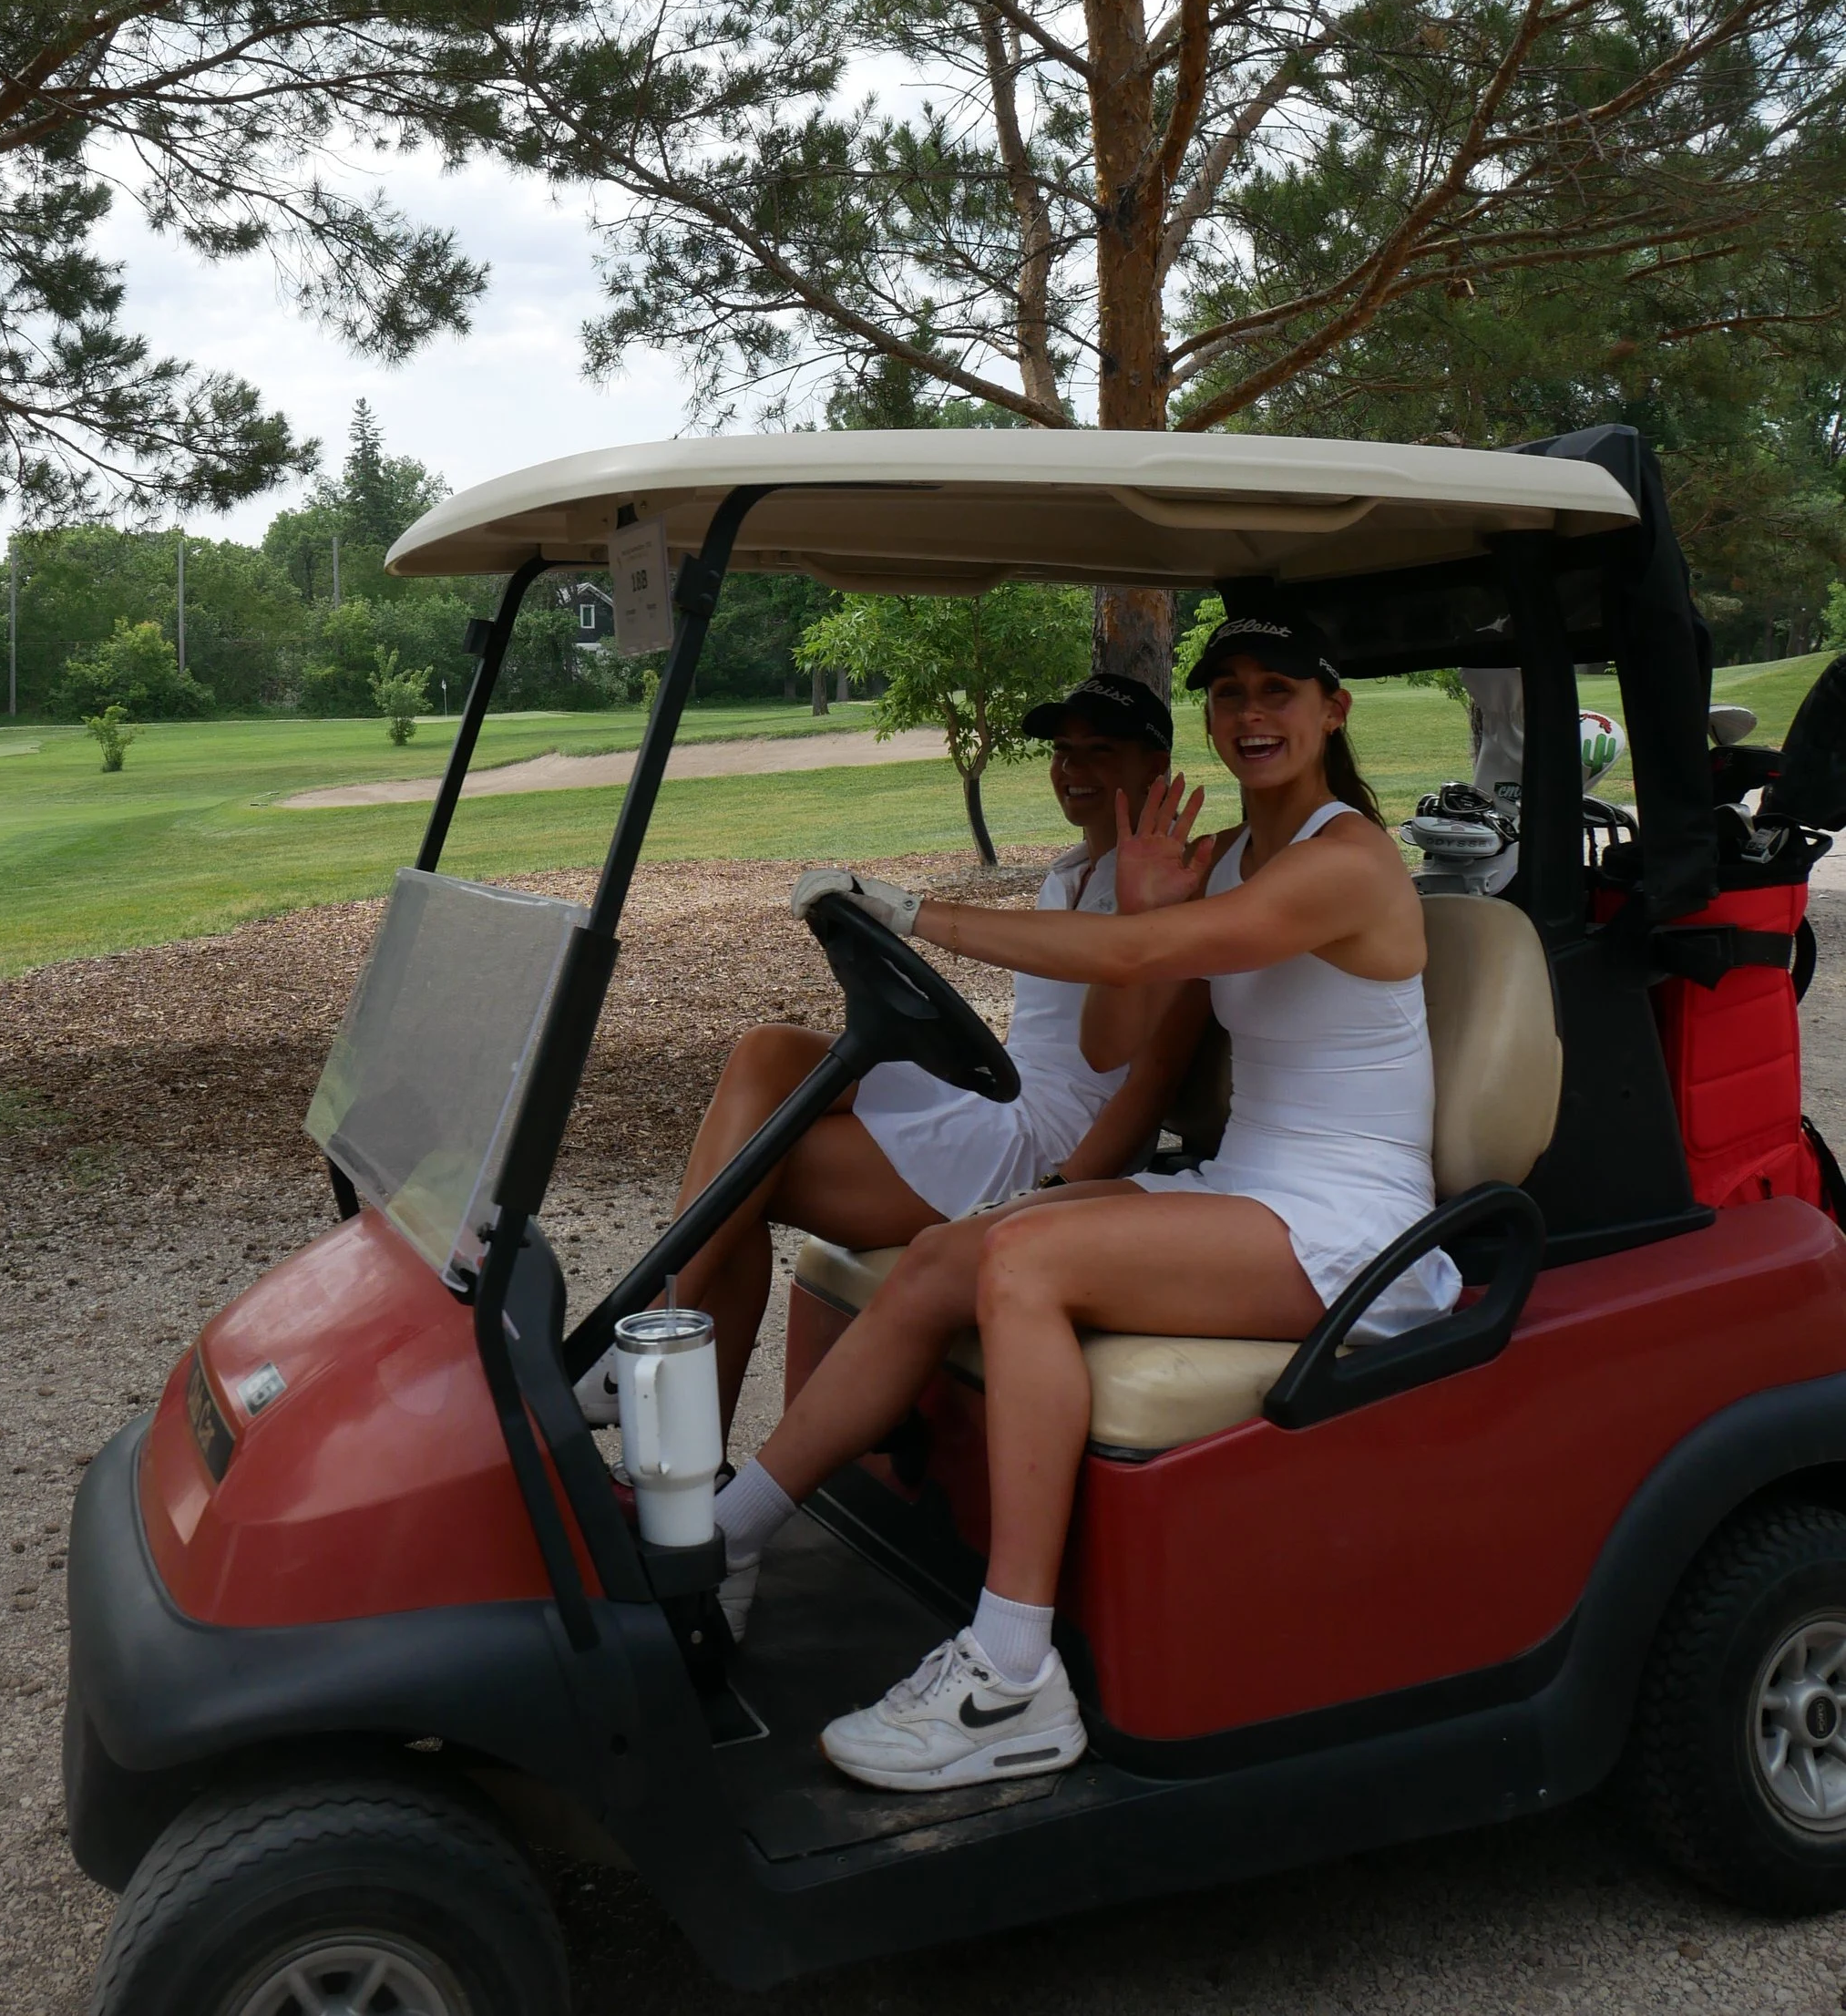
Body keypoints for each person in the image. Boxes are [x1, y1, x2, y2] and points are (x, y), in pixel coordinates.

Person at [710, 618, 1453, 1795]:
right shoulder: (1221, 859)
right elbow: (1114, 1038)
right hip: (1245, 1190)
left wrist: (913, 912)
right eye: (1228, 694)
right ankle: (726, 1540)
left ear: (1332, 710)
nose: (1251, 713)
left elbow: (1126, 966)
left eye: (1277, 690)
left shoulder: (1347, 860)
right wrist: (1138, 910)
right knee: (953, 1253)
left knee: (1027, 1263)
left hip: (1350, 1223)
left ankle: (1011, 1672)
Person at [583, 676, 1208, 1439]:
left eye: (1099, 750)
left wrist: (1055, 1195)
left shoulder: (1180, 896)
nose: (1072, 768)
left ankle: (644, 1346)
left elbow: (1147, 1086)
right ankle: (672, 1392)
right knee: (767, 1057)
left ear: (1155, 765)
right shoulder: (1070, 872)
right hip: (997, 1105)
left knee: (741, 1180)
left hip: (1043, 1151)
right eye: (1062, 750)